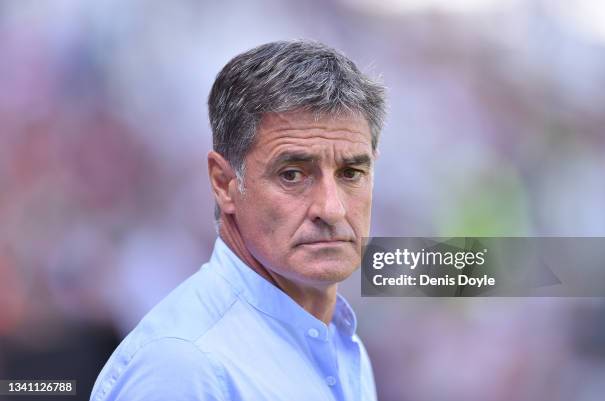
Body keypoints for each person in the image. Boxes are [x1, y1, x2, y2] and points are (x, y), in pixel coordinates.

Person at [90, 40, 386, 401]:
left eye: (351, 172)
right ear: (224, 183)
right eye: (292, 174)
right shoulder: (183, 366)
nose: (332, 208)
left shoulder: (339, 342)